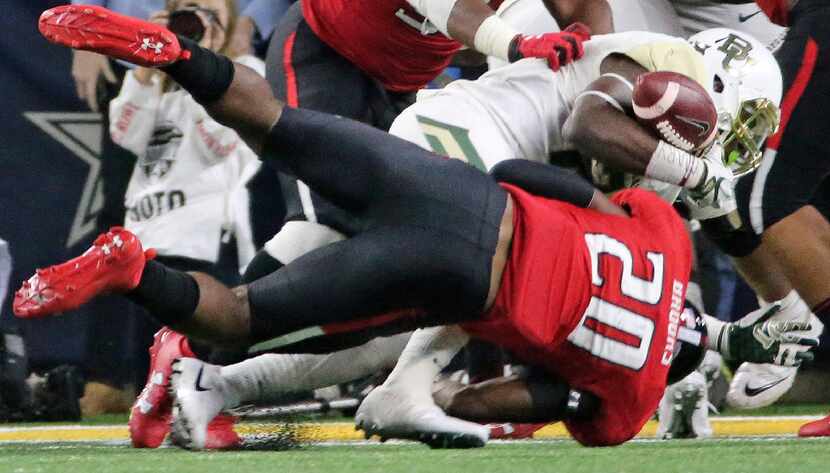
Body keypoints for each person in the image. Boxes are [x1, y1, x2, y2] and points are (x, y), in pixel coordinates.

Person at [23, 6, 818, 449]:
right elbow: (585, 137)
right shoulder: (653, 70)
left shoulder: (654, 129)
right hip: (465, 172)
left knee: (282, 163)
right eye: (735, 124)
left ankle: (191, 353)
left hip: (440, 145)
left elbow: (641, 287)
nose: (729, 146)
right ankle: (395, 389)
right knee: (394, 321)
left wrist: (722, 347)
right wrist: (693, 176)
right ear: (710, 82)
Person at [107, 0, 263, 448]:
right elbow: (125, 135)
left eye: (210, 13)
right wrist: (144, 63)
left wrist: (201, 68)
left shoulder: (243, 71)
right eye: (188, 11)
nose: (196, 23)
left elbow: (219, 143)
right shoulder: (155, 77)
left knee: (194, 360)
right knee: (147, 369)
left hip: (204, 238)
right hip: (146, 232)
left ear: (227, 24)